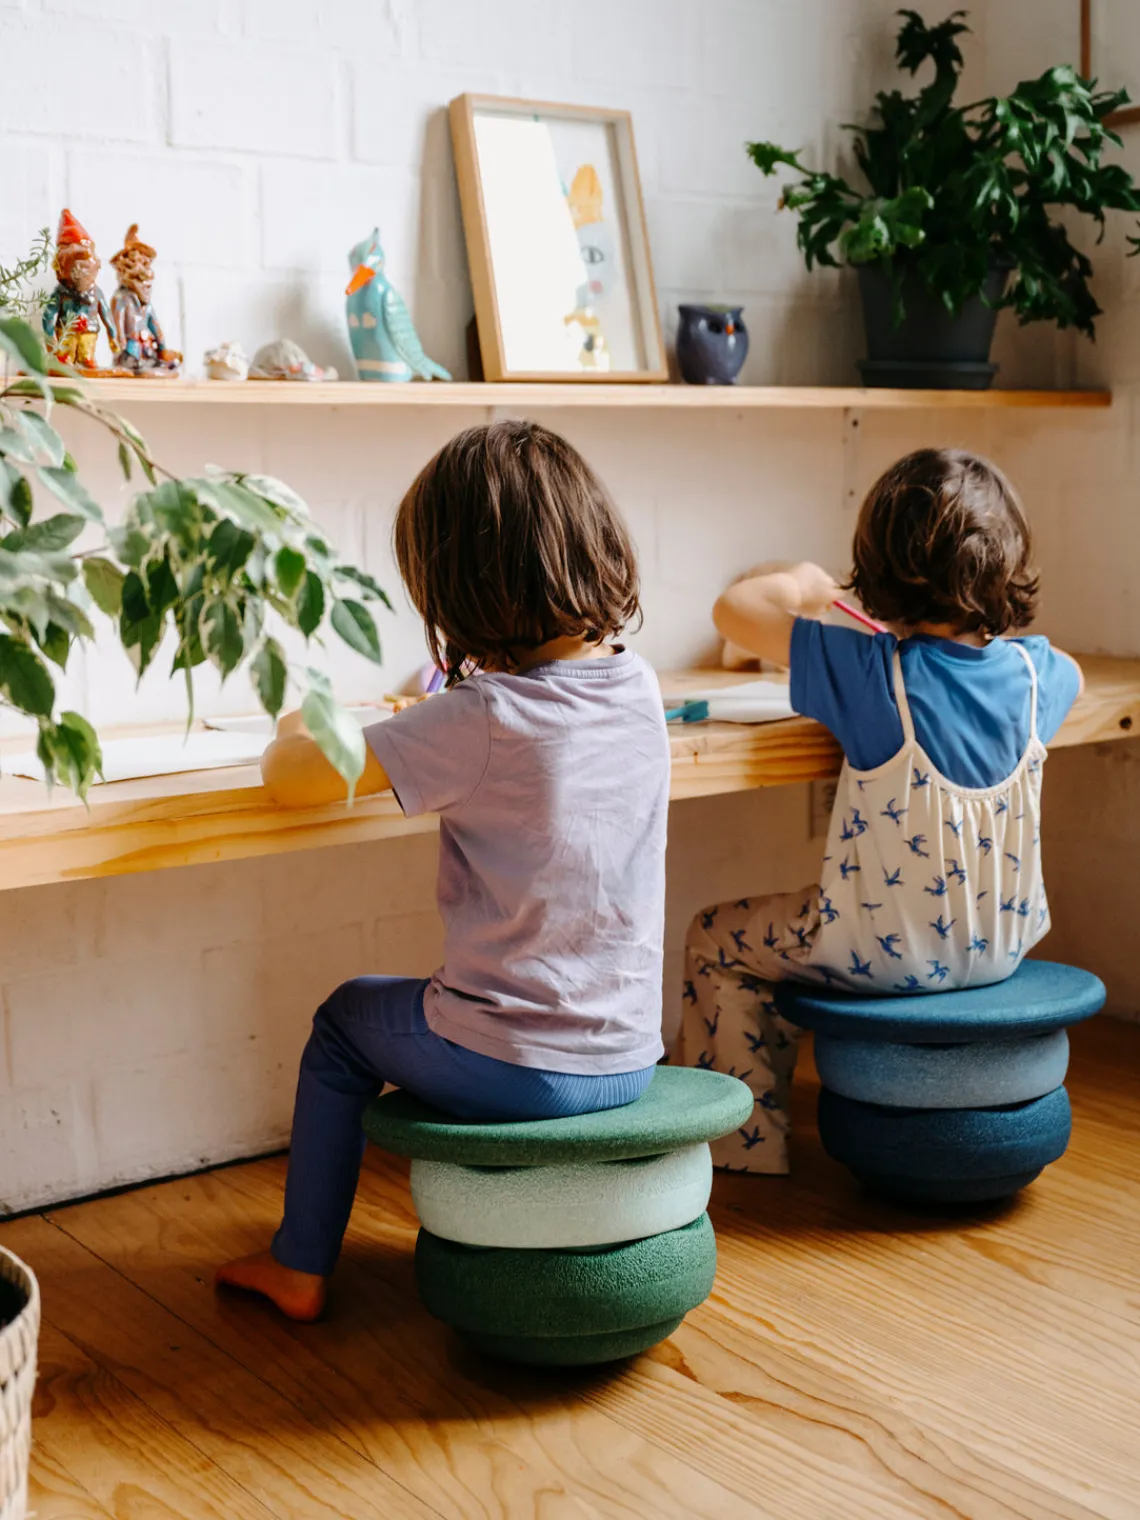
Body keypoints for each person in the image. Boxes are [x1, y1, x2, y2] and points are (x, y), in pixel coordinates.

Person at [217, 421, 669, 1320]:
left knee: (343, 1022)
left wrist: (301, 718)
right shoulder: (638, 684)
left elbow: (288, 779)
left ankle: (299, 1266)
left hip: (524, 1065)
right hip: (628, 1054)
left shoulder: (483, 715)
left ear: (463, 585)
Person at [671, 448, 1083, 1174]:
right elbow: (1065, 674)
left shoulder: (871, 675)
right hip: (999, 947)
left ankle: (744, 1149)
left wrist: (808, 584)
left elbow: (733, 611)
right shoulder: (1041, 674)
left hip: (886, 956)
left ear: (882, 571)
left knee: (713, 937)